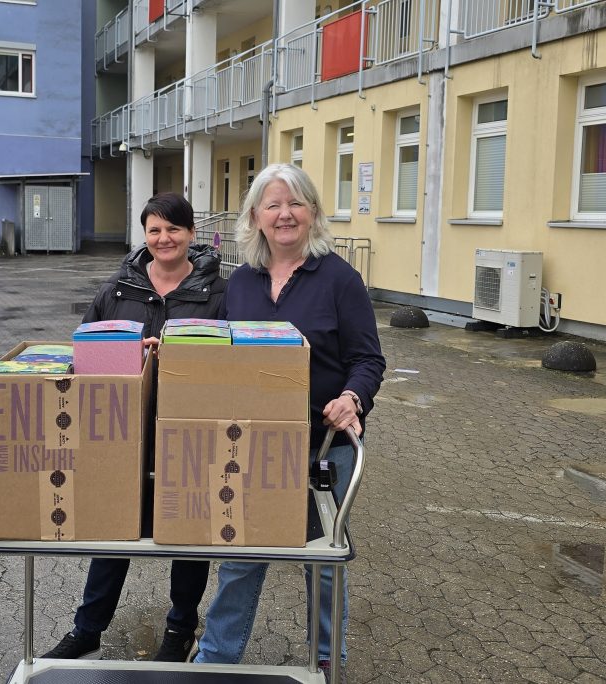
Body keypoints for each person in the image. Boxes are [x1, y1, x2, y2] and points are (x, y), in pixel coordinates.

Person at [192, 164, 385, 681]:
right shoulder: (241, 282)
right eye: (273, 205)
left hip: (323, 447)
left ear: (314, 213)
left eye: (296, 203)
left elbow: (368, 360)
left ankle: (326, 660)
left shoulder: (340, 279)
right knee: (241, 556)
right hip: (250, 443)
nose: (285, 214)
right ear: (255, 217)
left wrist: (352, 397)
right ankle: (216, 659)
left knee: (321, 562)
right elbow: (217, 350)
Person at [42, 192, 226, 662]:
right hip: (121, 432)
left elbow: (232, 363)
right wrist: (126, 352)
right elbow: (82, 355)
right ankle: (88, 628)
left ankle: (180, 629)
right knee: (112, 529)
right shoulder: (118, 290)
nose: (164, 239)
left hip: (189, 429)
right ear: (145, 235)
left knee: (188, 531)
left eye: (174, 229)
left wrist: (182, 356)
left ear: (191, 234)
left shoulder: (217, 293)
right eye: (155, 230)